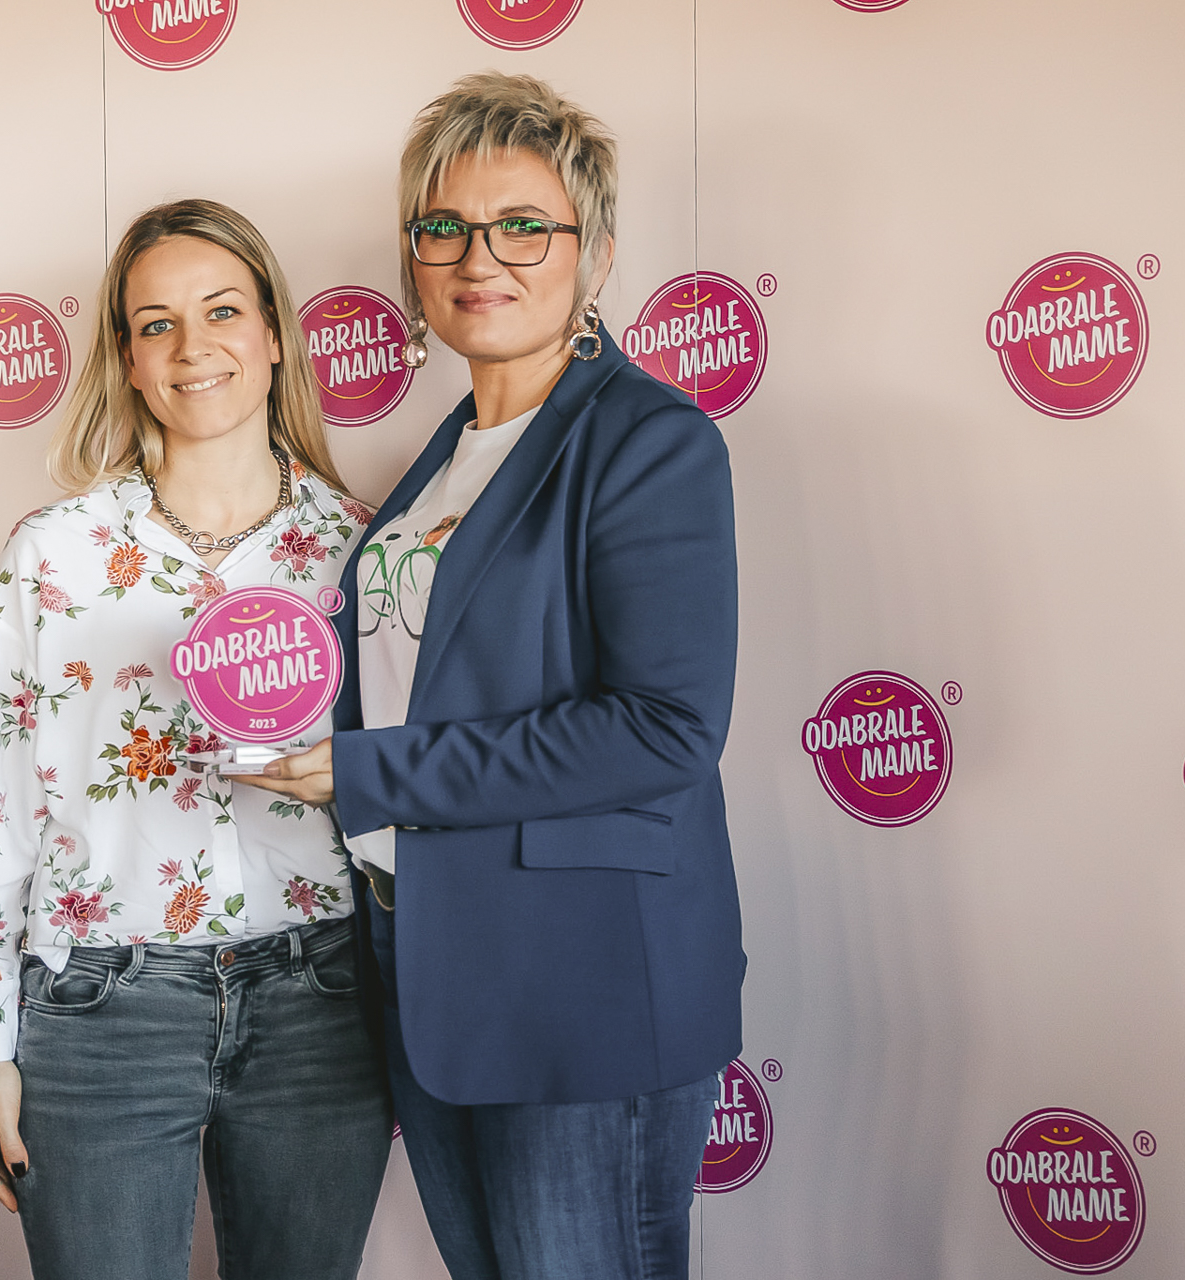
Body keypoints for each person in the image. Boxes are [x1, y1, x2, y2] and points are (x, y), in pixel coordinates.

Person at [240, 73, 745, 1280]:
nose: (481, 257)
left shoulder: (647, 438)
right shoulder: (446, 457)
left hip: (579, 981)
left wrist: (368, 771)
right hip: (433, 965)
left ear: (595, 251)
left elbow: (665, 728)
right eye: (446, 227)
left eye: (524, 225)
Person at [0, 199, 391, 1280]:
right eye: (158, 324)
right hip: (101, 1004)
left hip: (322, 999)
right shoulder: (52, 555)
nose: (194, 346)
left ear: (274, 334)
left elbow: (415, 792)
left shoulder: (361, 550)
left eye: (223, 311)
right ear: (130, 361)